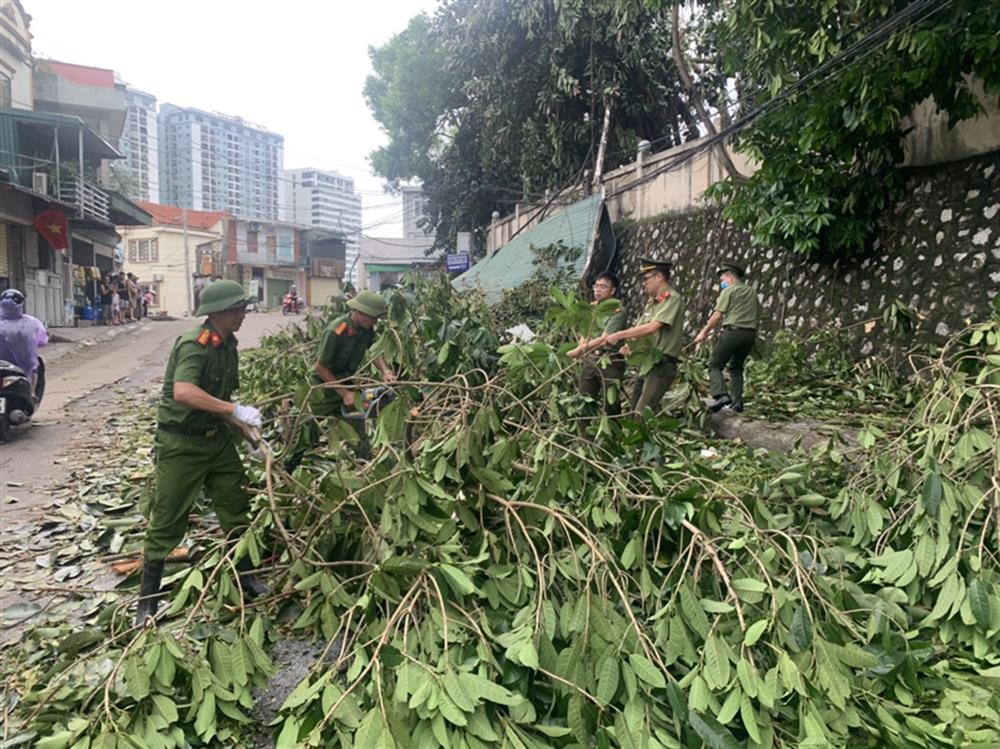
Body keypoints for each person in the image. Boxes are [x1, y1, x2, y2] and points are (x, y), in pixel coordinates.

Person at [136, 279, 267, 625]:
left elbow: (221, 406)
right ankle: (147, 600)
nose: (243, 315)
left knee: (236, 506)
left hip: (217, 441)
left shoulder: (227, 344)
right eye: (238, 309)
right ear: (220, 311)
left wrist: (253, 438)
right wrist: (235, 410)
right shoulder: (195, 344)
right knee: (168, 517)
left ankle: (245, 577)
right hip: (182, 444)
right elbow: (184, 392)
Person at [286, 290, 395, 469]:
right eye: (373, 317)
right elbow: (320, 367)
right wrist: (343, 392)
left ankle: (366, 465)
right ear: (360, 313)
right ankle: (289, 467)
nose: (375, 322)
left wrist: (385, 371)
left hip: (347, 385)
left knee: (357, 426)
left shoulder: (366, 329)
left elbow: (374, 350)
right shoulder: (336, 331)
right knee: (307, 432)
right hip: (321, 390)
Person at [605, 258, 686, 415]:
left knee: (642, 414)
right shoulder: (652, 303)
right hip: (647, 363)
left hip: (662, 364)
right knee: (633, 410)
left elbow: (652, 327)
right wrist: (630, 345)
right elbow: (640, 328)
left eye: (646, 278)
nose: (644, 283)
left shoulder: (672, 298)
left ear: (659, 277)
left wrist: (619, 334)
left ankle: (641, 438)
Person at [693, 263, 761, 413]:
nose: (722, 282)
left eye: (723, 278)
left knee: (715, 365)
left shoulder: (729, 291)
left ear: (730, 277)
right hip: (749, 335)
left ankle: (721, 395)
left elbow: (717, 315)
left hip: (732, 333)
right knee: (736, 368)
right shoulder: (751, 292)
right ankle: (737, 403)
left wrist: (703, 332)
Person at [567, 272, 628, 414]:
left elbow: (605, 338)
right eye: (596, 286)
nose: (598, 289)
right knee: (584, 400)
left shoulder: (617, 310)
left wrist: (580, 349)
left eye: (603, 287)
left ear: (612, 291)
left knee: (610, 404)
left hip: (610, 361)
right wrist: (581, 349)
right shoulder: (592, 308)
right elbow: (585, 331)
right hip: (590, 359)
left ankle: (614, 433)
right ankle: (584, 435)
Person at [0, 289, 48, 396]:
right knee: (35, 367)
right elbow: (43, 341)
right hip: (24, 367)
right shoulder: (33, 323)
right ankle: (31, 393)